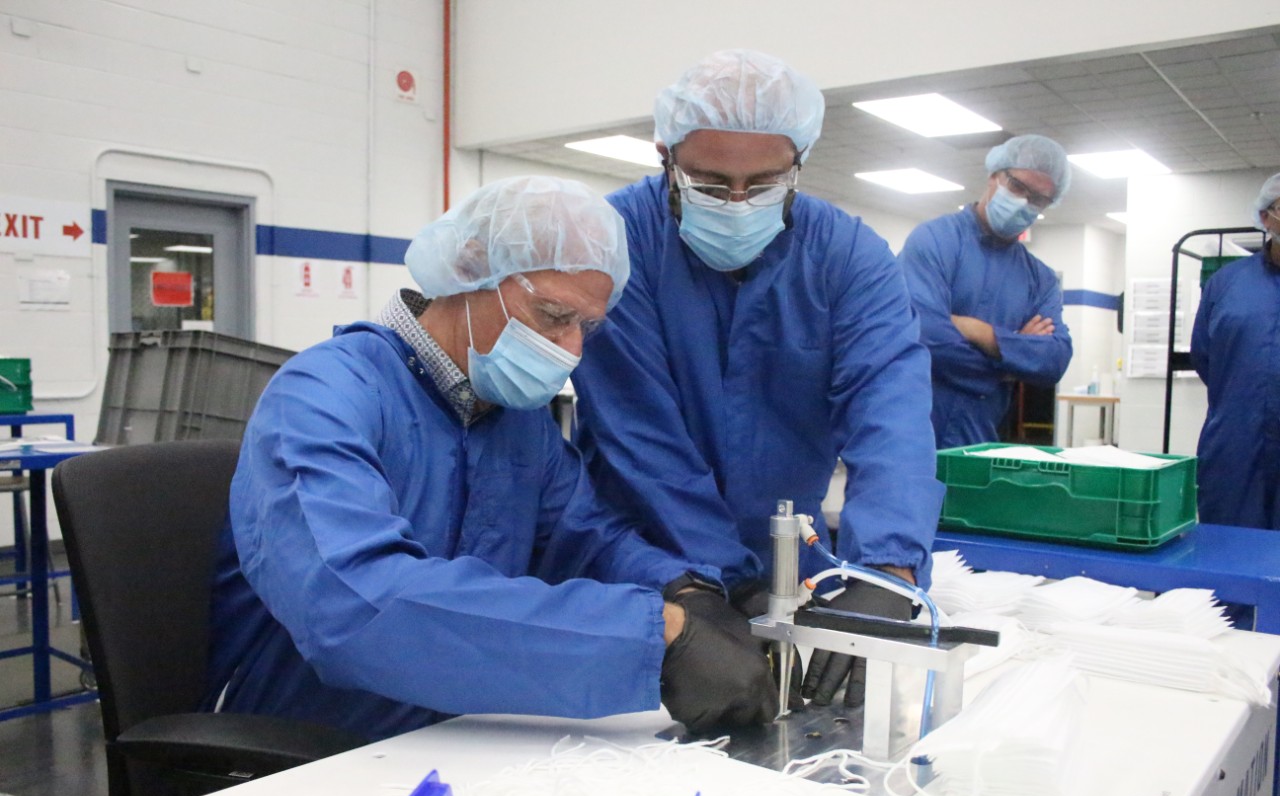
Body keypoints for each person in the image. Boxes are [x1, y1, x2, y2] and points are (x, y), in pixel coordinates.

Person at [202, 176, 777, 742]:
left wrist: (685, 590)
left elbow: (585, 536)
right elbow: (356, 604)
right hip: (307, 747)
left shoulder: (513, 420)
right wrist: (659, 637)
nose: (572, 350)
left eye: (586, 326)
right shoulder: (324, 394)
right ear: (471, 269)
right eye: (554, 316)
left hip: (455, 733)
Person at [570, 50, 944, 707]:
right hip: (646, 558)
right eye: (711, 185)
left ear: (798, 165)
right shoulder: (616, 243)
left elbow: (890, 406)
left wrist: (887, 571)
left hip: (787, 560)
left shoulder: (849, 257)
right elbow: (642, 441)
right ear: (665, 157)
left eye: (764, 184)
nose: (738, 205)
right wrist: (718, 585)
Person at [900, 134, 1074, 449]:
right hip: (906, 432)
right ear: (995, 175)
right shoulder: (934, 241)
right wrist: (1007, 366)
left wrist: (981, 332)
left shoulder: (1040, 279)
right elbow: (924, 334)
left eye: (1037, 199)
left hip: (978, 441)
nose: (1024, 202)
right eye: (1018, 187)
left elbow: (1054, 359)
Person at [1190, 172, 1280, 529]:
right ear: (1265, 217)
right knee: (1227, 554)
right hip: (1235, 447)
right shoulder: (1227, 283)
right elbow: (1205, 356)